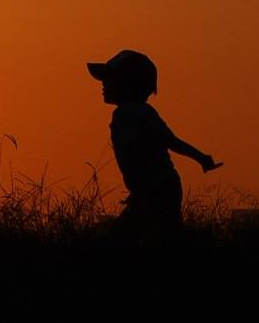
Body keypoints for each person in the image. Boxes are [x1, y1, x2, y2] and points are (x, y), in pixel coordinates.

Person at [87, 49, 221, 236]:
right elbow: (168, 142)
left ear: (128, 84)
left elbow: (169, 141)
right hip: (150, 190)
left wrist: (200, 158)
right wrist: (200, 158)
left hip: (157, 190)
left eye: (109, 79)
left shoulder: (135, 114)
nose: (103, 84)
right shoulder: (133, 113)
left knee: (134, 239)